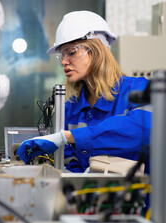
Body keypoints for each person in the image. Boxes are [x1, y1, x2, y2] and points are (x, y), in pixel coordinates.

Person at [17, 11, 151, 173]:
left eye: (71, 52)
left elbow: (142, 130)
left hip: (138, 196)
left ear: (97, 50)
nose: (64, 61)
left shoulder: (139, 89)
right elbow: (69, 161)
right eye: (62, 56)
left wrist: (67, 137)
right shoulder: (71, 108)